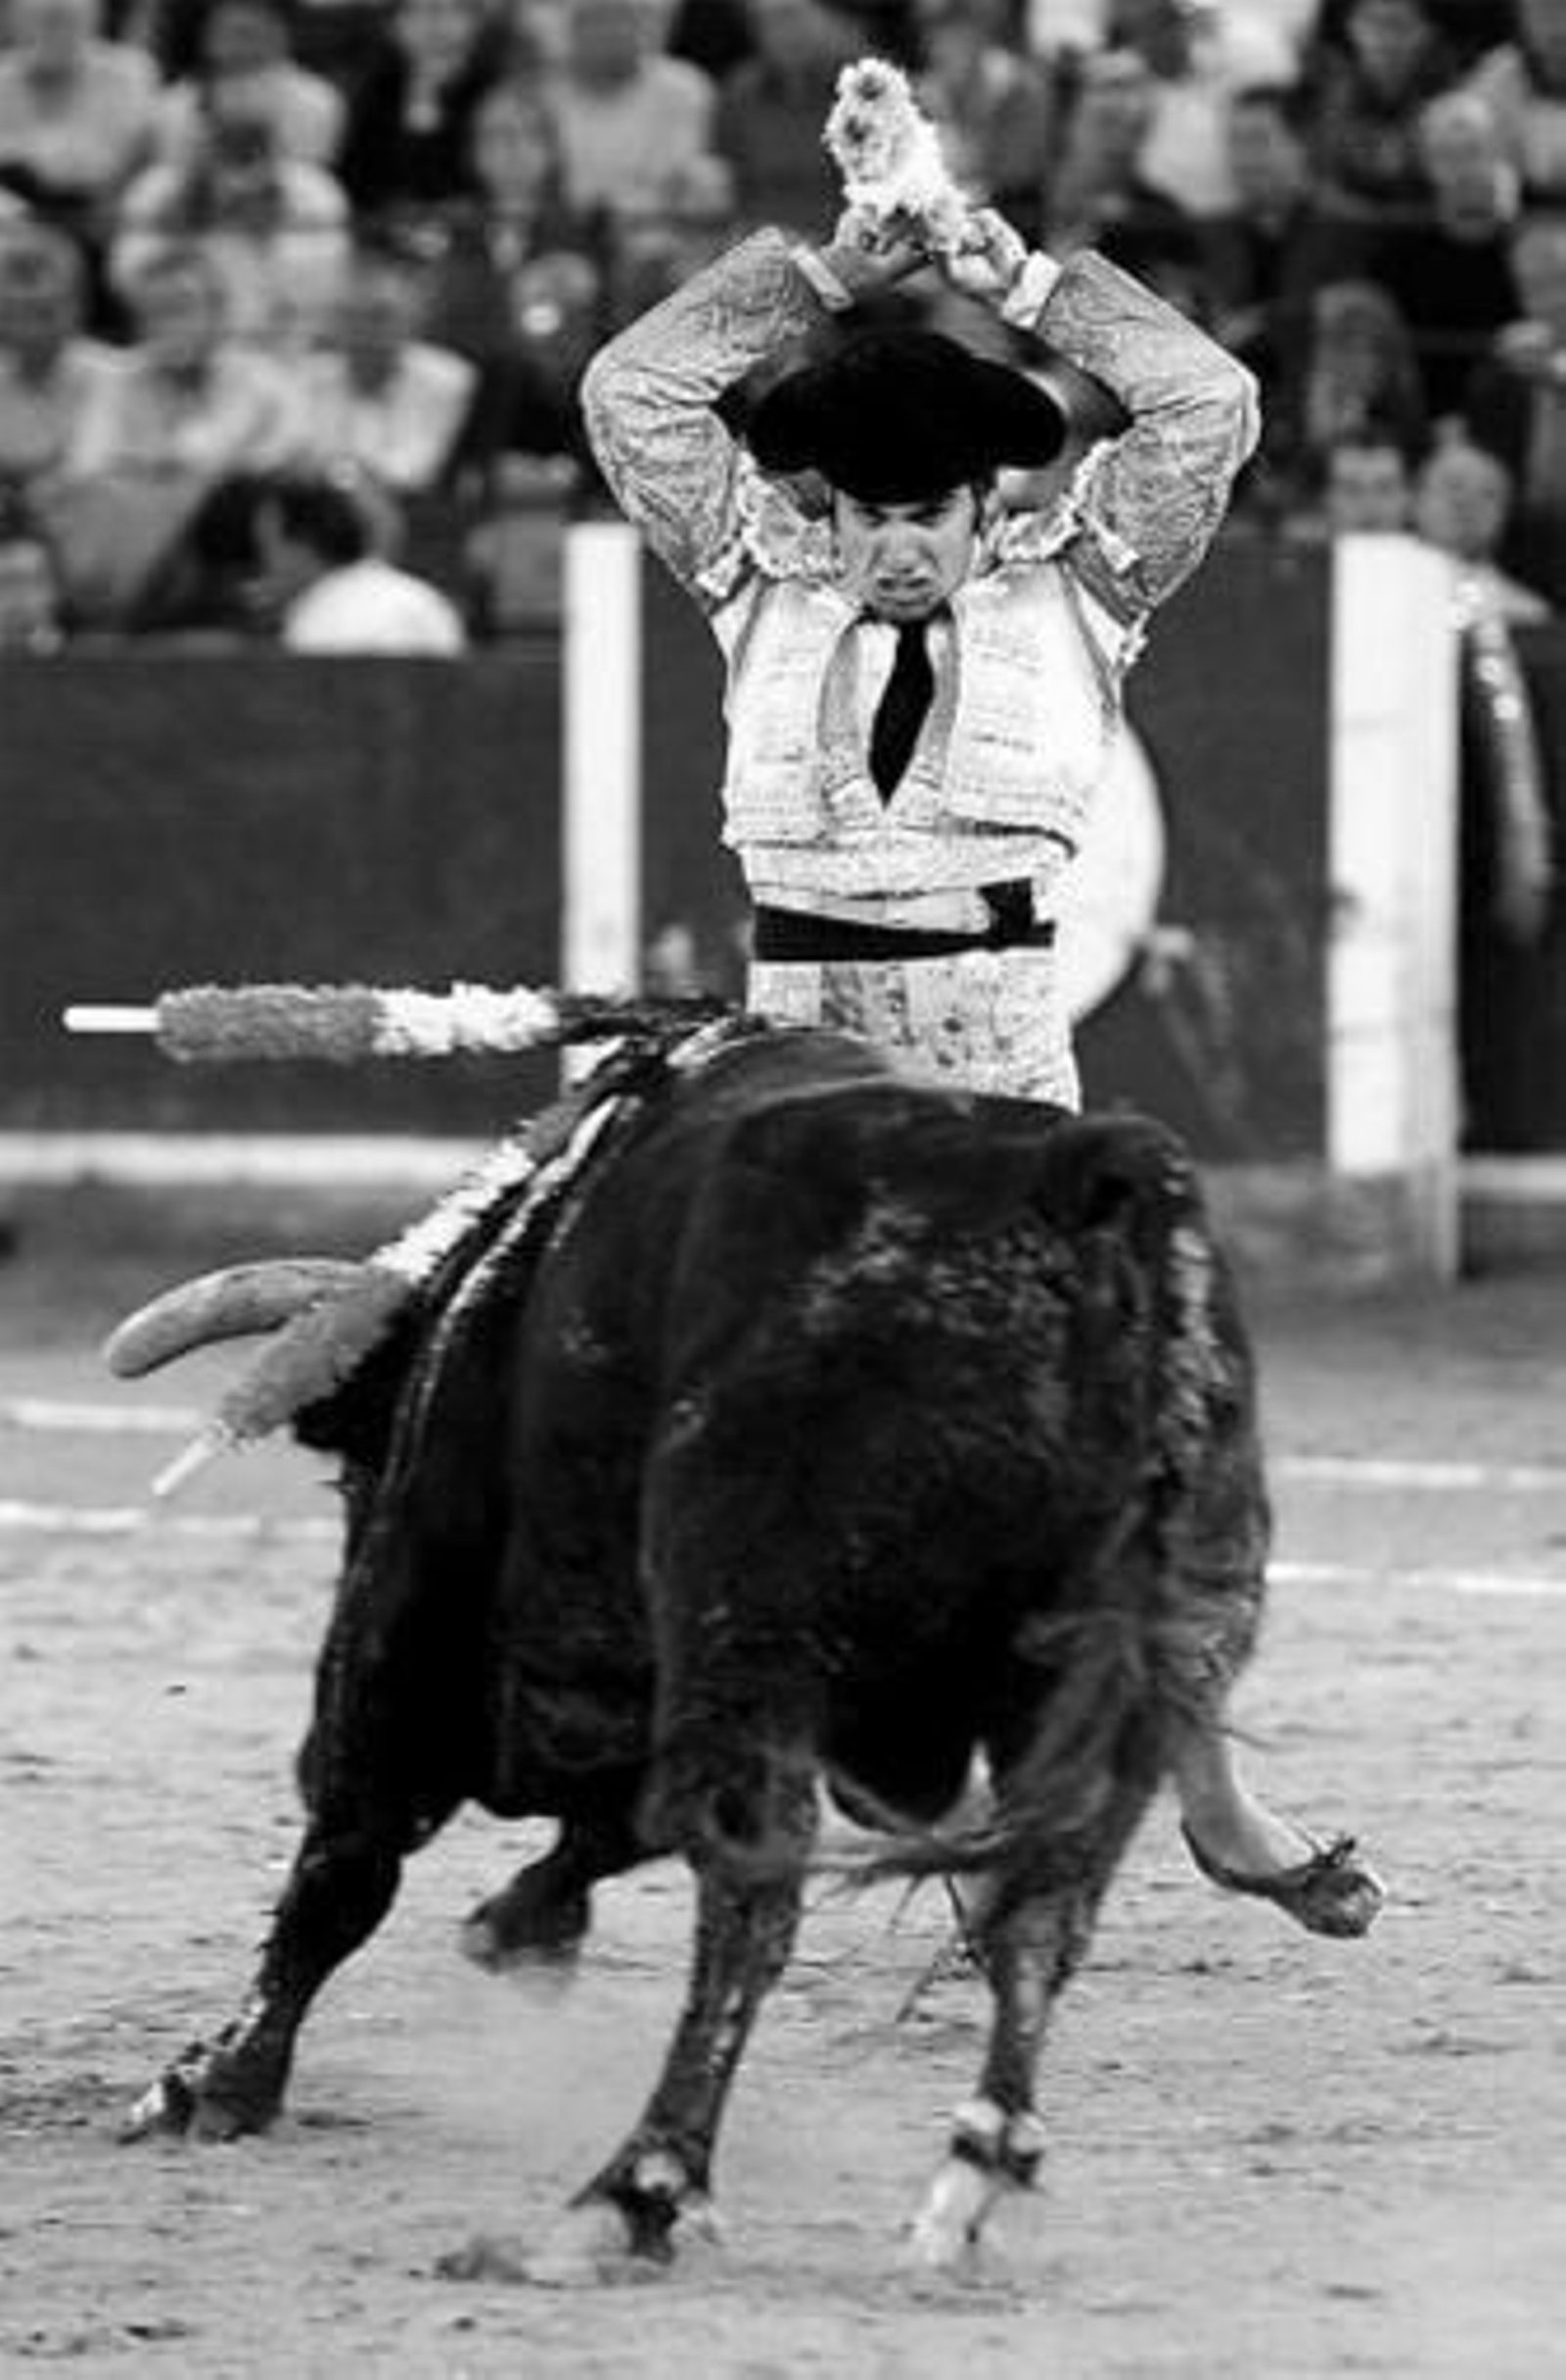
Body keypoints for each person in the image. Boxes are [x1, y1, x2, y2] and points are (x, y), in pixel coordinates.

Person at [581, 194, 1385, 1935]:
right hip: (790, 1088)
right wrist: (829, 272)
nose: (888, 552)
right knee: (636, 1380)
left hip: (1008, 1094)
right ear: (820, 508)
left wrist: (1014, 275)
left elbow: (1209, 406)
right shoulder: (756, 581)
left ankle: (1215, 1796)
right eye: (859, 517)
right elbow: (636, 393)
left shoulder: (1082, 589)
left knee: (1138, 1432)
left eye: (922, 518)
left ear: (990, 503)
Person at [251, 466, 468, 651]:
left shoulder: (317, 622)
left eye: (269, 547)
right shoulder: (427, 600)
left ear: (301, 547)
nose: (267, 565)